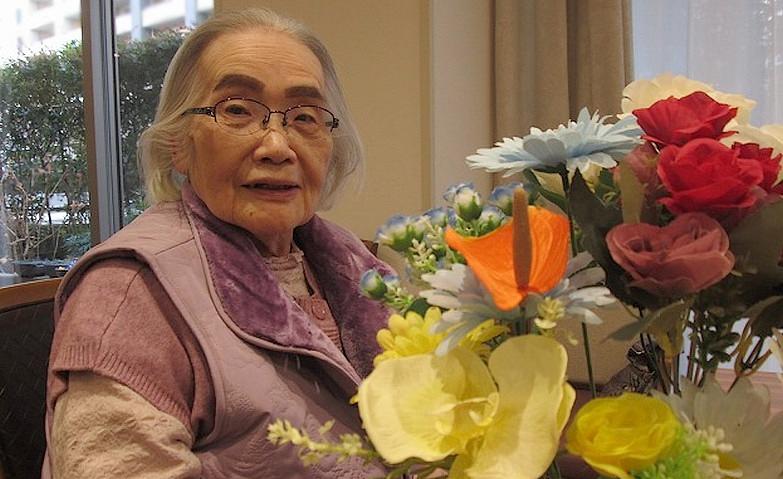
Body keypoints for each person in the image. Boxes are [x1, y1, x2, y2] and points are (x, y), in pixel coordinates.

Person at [42, 8, 393, 478]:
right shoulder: (127, 293)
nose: (277, 146)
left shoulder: (352, 264)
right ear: (178, 144)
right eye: (237, 111)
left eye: (305, 117)